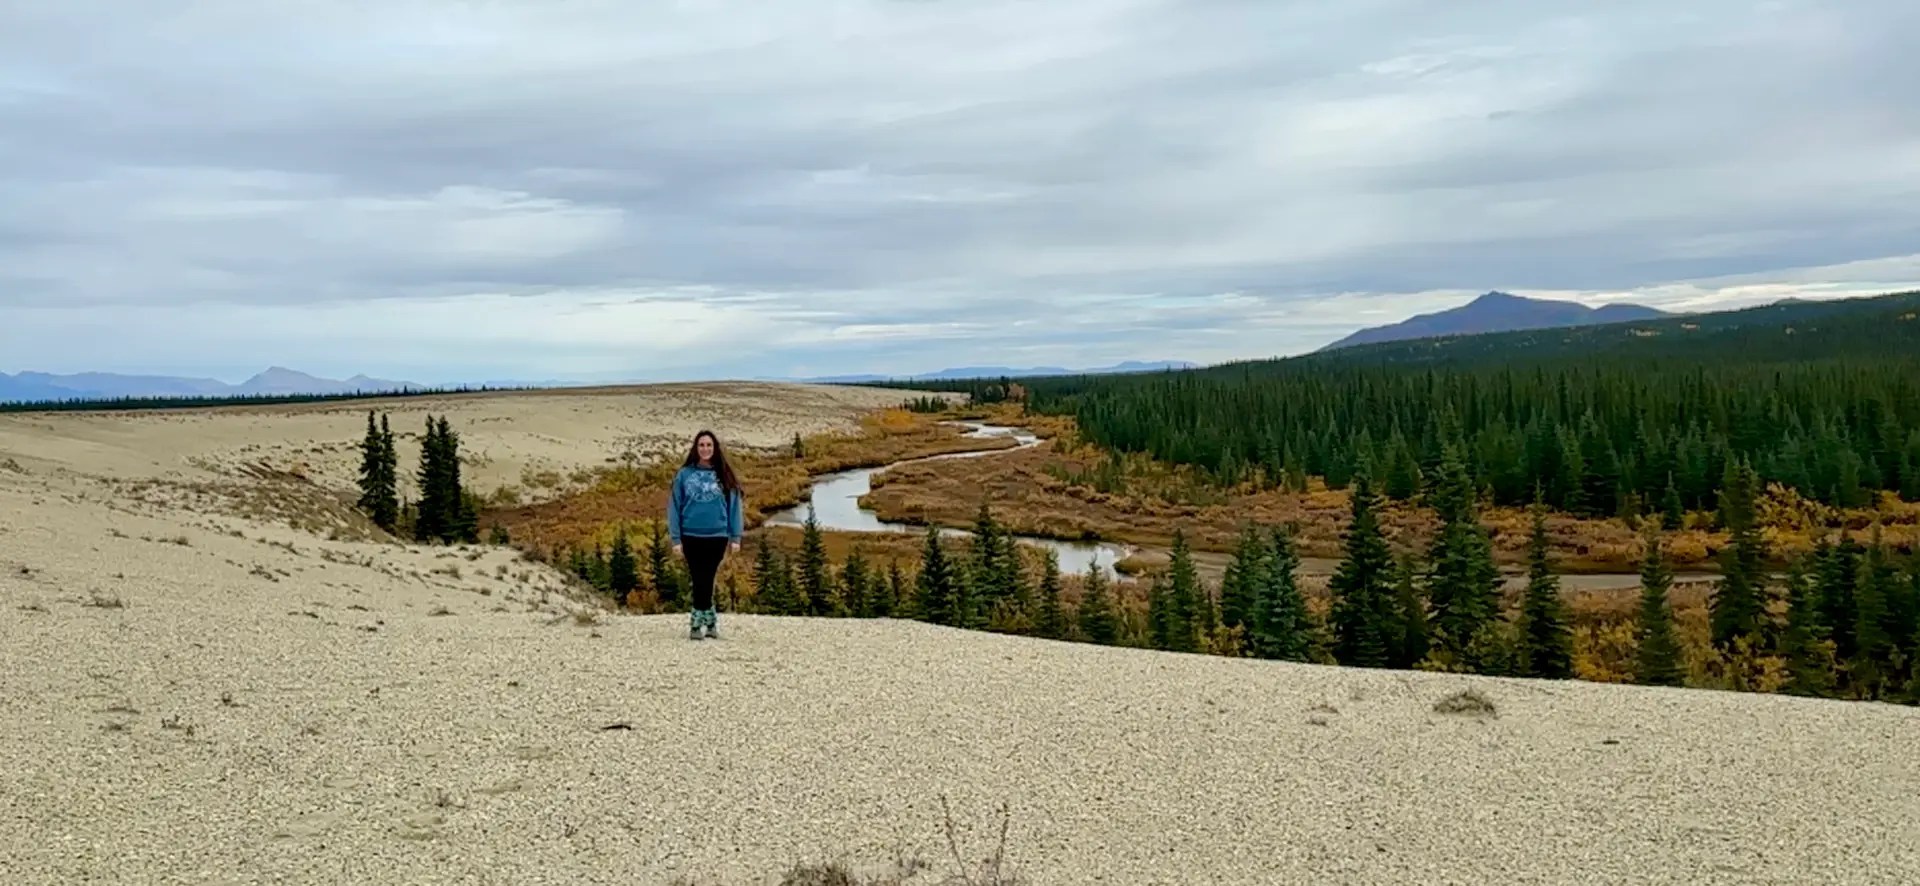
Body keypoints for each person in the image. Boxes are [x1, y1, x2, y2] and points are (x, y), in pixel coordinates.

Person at [666, 429, 743, 640]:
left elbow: (735, 506)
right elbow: (674, 506)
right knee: (698, 577)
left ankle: (697, 621)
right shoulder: (684, 475)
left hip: (717, 536)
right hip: (690, 535)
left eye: (709, 445)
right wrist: (675, 538)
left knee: (707, 577)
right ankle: (708, 620)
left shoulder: (724, 474)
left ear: (715, 448)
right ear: (695, 448)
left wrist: (735, 536)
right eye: (701, 445)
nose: (705, 449)